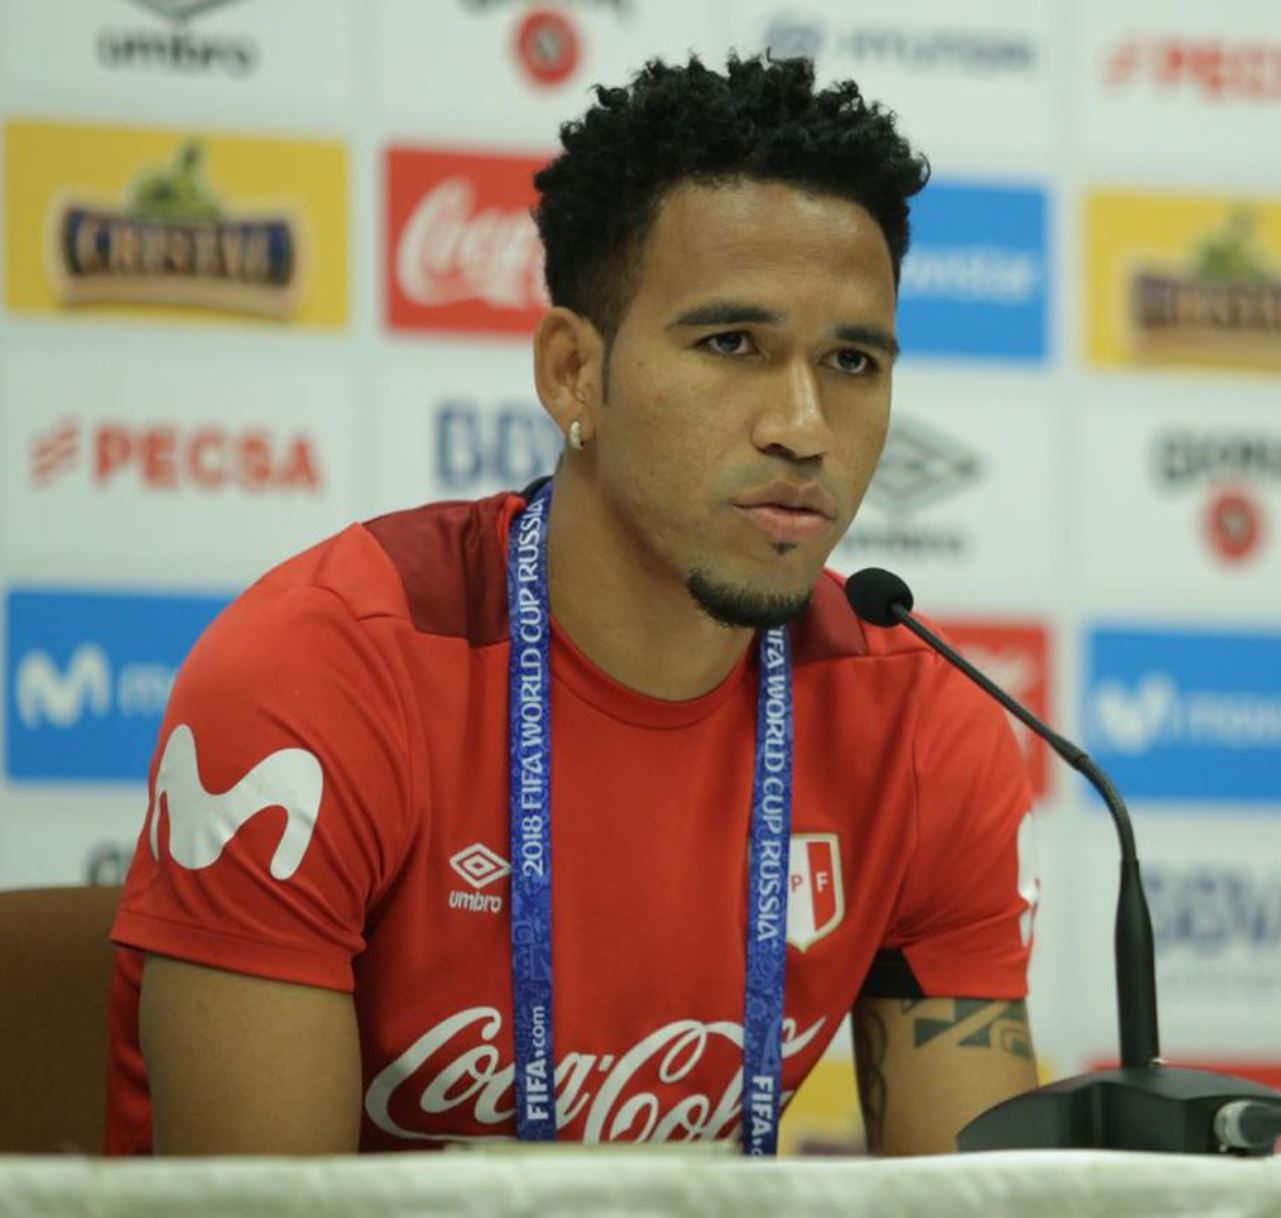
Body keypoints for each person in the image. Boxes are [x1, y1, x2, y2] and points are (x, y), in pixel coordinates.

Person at [104, 54, 1041, 1156]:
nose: (803, 427)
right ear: (570, 374)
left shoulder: (925, 728)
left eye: (851, 361)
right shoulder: (320, 677)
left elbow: (973, 1196)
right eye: (732, 344)